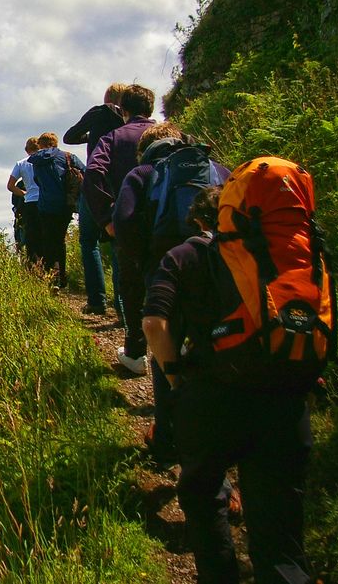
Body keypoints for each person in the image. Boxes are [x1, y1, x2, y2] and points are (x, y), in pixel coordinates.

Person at [142, 187, 314, 583]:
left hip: (211, 399)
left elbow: (153, 323)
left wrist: (174, 377)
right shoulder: (288, 254)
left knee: (204, 501)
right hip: (286, 399)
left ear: (203, 220)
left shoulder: (185, 256)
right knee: (281, 531)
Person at [112, 124, 230, 460]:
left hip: (165, 266)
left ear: (145, 148)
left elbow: (124, 223)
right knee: (219, 343)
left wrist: (146, 260)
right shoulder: (217, 169)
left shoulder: (142, 172)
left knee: (167, 346)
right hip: (222, 265)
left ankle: (167, 437)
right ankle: (224, 436)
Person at [83, 83, 157, 374]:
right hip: (174, 223)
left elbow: (93, 173)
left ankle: (137, 354)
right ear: (150, 108)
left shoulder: (114, 137)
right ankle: (184, 348)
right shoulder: (173, 134)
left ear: (122, 110)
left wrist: (106, 218)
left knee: (133, 287)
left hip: (130, 221)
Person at [63, 84, 126, 315]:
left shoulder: (99, 112)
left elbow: (69, 137)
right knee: (120, 242)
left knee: (89, 241)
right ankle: (123, 308)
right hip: (122, 182)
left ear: (107, 97)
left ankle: (97, 301)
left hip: (96, 181)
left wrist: (91, 137)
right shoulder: (128, 118)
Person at [28, 132, 86, 287]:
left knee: (48, 240)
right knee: (60, 240)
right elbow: (85, 171)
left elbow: (37, 181)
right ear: (55, 143)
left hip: (45, 205)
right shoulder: (68, 157)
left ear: (41, 144)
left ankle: (50, 277)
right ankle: (62, 278)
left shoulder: (36, 161)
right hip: (65, 204)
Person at [7, 137, 43, 267]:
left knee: (32, 238)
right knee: (47, 235)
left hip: (30, 202)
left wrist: (24, 194)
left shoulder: (21, 164)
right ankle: (51, 271)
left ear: (27, 150)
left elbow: (10, 186)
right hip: (46, 201)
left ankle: (33, 269)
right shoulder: (47, 160)